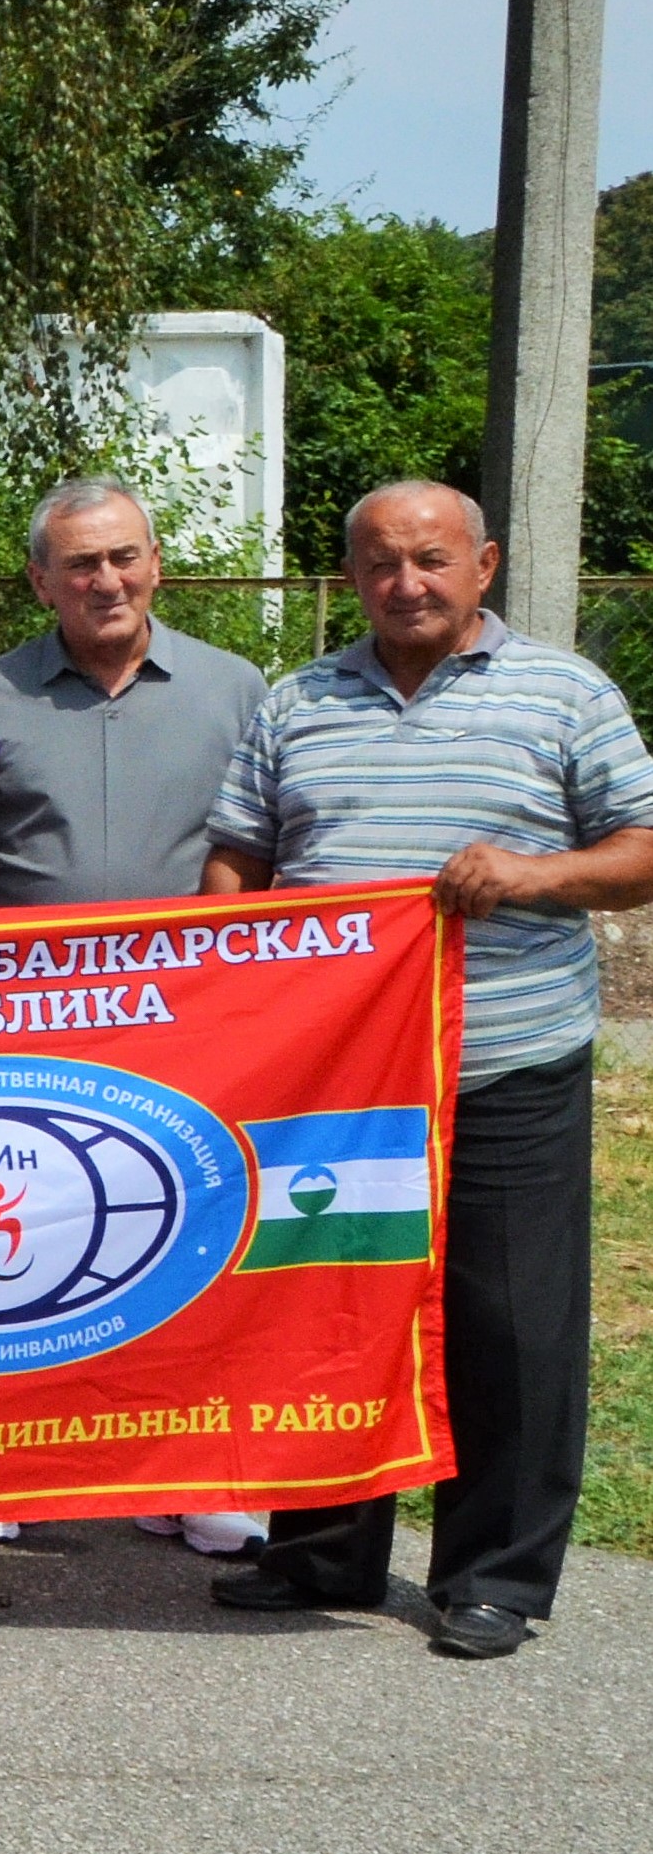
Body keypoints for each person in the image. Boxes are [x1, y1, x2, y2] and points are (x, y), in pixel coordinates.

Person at [201, 482, 653, 1661]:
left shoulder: (562, 691)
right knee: (325, 1308)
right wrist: (231, 989)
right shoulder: (298, 699)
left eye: (430, 559)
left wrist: (530, 874)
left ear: (483, 564)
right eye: (381, 563)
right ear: (348, 574)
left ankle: (493, 1576)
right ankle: (316, 1550)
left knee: (507, 1323)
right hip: (333, 1079)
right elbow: (236, 857)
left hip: (503, 1058)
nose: (406, 582)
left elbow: (640, 849)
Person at [0, 478, 272, 1558]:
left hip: (183, 1027)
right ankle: (12, 1466)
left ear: (155, 564)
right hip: (16, 1025)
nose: (105, 580)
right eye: (79, 564)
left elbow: (264, 852)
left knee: (188, 1238)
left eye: (122, 557)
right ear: (39, 578)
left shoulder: (236, 688)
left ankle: (194, 1473)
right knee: (19, 1242)